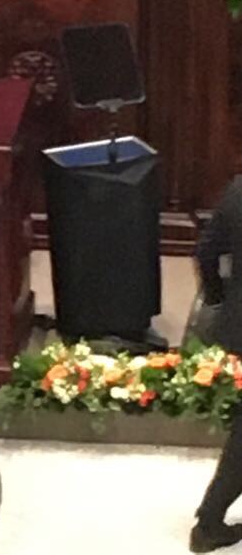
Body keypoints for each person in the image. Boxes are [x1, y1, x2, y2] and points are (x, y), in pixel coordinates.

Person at [190, 176, 242, 553]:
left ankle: (210, 520)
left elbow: (206, 252)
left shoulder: (239, 187)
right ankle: (209, 522)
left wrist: (219, 299)